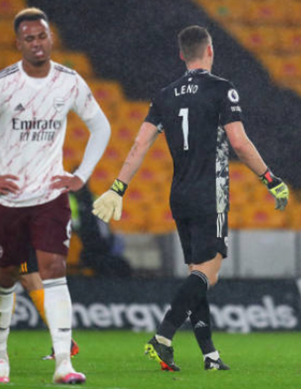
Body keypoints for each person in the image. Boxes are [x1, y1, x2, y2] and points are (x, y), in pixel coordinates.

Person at [92, 25, 289, 372]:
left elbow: (139, 145)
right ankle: (163, 336)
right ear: (210, 50)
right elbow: (239, 142)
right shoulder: (221, 89)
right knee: (207, 276)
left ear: (182, 55)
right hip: (210, 191)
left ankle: (209, 355)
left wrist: (118, 187)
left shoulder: (164, 95)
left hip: (179, 193)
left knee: (197, 275)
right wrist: (270, 179)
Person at [0, 7, 110, 384]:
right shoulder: (1, 85)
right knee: (4, 279)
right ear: (18, 43)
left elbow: (101, 126)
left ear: (51, 38)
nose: (37, 43)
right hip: (9, 202)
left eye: (43, 36)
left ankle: (63, 364)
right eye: (29, 38)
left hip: (51, 196)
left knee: (54, 270)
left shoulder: (69, 82)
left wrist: (81, 175)